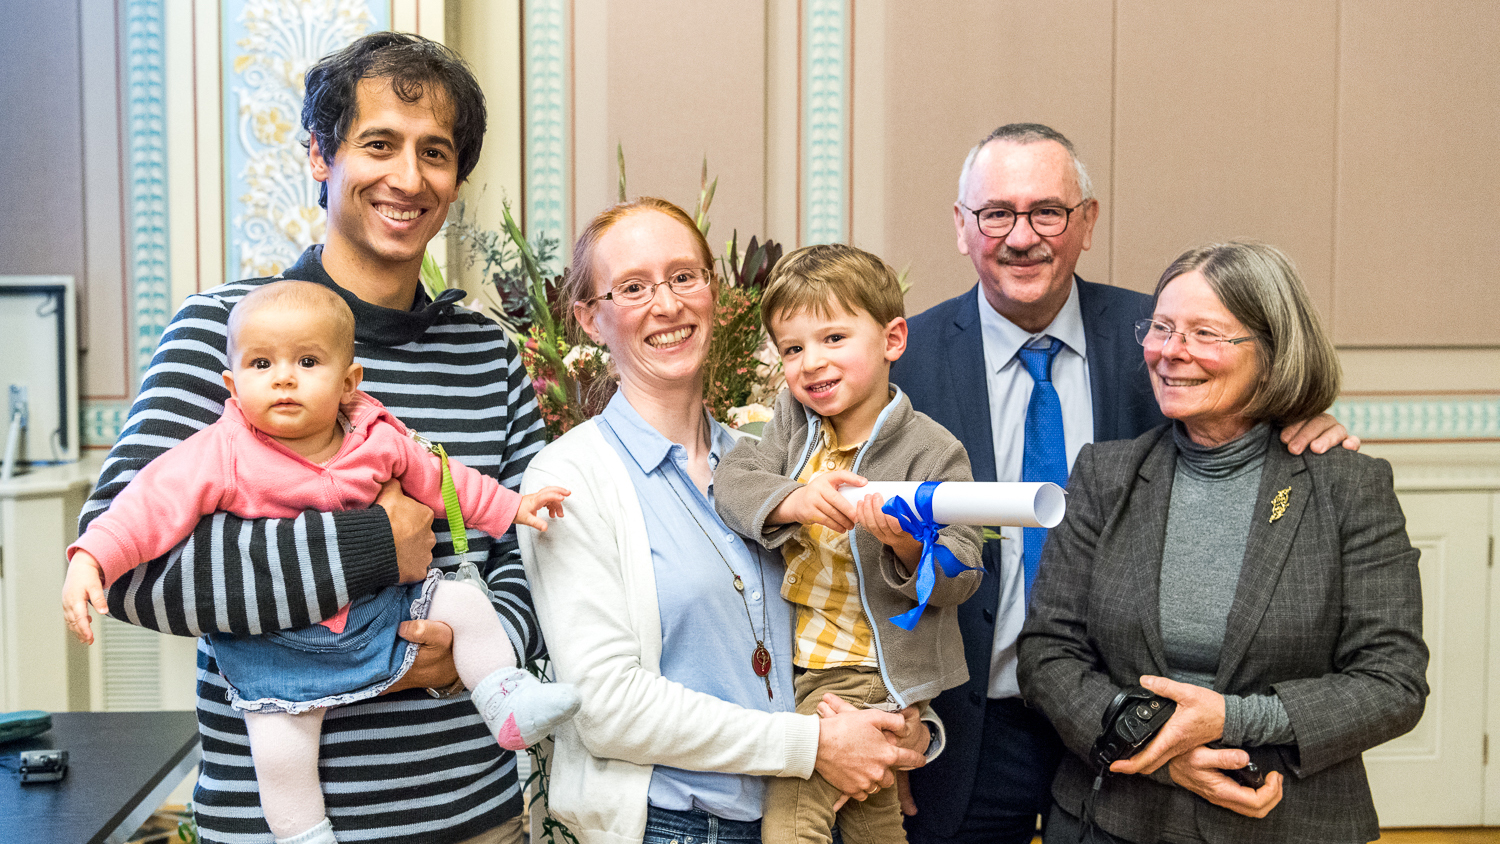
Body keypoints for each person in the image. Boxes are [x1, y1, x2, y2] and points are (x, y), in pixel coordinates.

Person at [79, 33, 547, 844]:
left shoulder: (488, 353)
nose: (408, 178)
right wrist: (374, 545)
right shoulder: (221, 340)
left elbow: (537, 553)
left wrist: (478, 641)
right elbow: (132, 572)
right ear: (319, 156)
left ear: (456, 181)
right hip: (276, 826)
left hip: (472, 814)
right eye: (378, 144)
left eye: (435, 153)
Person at [890, 123, 1358, 843]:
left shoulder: (1164, 342)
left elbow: (1249, 402)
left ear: (1087, 223)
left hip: (1135, 717)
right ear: (961, 226)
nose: (1022, 237)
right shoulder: (903, 364)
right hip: (961, 729)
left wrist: (1304, 418)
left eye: (1048, 211)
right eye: (996, 214)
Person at [63, 282, 577, 844]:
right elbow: (146, 508)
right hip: (274, 648)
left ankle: (505, 699)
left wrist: (514, 507)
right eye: (262, 364)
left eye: (307, 362)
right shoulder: (222, 449)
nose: (283, 377)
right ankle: (304, 834)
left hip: (387, 623)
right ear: (233, 386)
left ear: (349, 381)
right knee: (280, 749)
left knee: (467, 603)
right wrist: (93, 557)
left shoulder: (377, 435)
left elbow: (448, 482)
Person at [517, 199, 933, 844]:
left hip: (806, 813)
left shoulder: (770, 467)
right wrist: (809, 743)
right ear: (590, 319)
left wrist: (905, 724)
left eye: (685, 276)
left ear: (715, 294)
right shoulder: (568, 479)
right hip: (670, 825)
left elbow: (845, 624)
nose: (667, 304)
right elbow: (605, 709)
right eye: (632, 287)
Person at [1015, 240, 1428, 843]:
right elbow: (1048, 654)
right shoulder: (1106, 476)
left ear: (1272, 352)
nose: (1170, 353)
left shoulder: (1348, 487)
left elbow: (1392, 682)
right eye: (1160, 328)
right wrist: (1158, 746)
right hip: (1113, 817)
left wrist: (1235, 718)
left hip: (1289, 819)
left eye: (1205, 334)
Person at [714, 244, 983, 844]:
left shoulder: (931, 450)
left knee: (791, 823)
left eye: (833, 338)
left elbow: (963, 573)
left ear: (892, 339)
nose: (810, 362)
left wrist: (911, 550)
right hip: (794, 666)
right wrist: (796, 499)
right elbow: (732, 481)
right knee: (873, 825)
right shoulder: (792, 421)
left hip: (863, 670)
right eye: (792, 348)